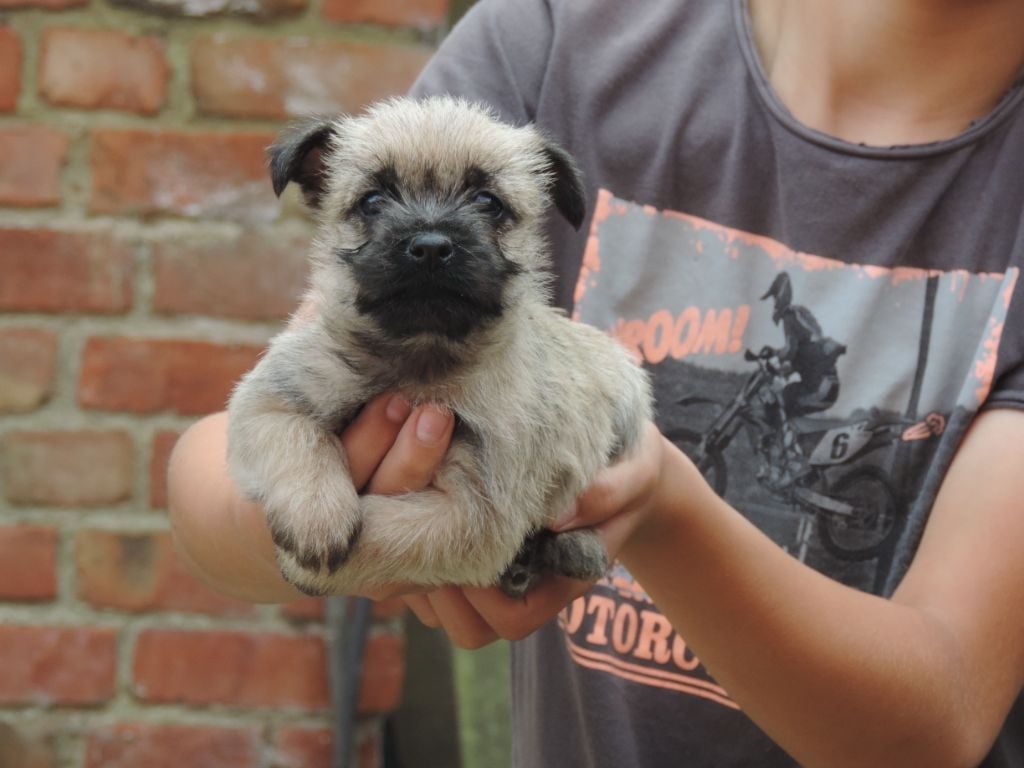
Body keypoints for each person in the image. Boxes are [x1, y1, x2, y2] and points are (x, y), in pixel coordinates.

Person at [168, 1, 1024, 765]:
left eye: (487, 209)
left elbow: (936, 726)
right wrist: (300, 516)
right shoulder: (547, 41)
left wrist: (660, 508)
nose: (429, 238)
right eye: (378, 206)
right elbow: (214, 477)